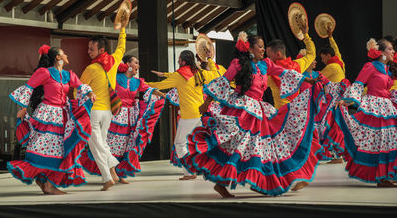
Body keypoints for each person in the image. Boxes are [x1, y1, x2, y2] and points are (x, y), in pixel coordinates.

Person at [181, 33, 322, 198]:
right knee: (237, 148)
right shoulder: (238, 64)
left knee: (261, 149)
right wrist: (207, 103)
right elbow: (223, 81)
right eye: (260, 46)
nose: (263, 50)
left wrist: (308, 80)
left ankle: (257, 181)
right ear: (250, 48)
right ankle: (221, 183)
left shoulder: (266, 64)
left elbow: (285, 73)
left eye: (263, 47)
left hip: (260, 110)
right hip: (242, 111)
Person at [7, 45, 95, 195]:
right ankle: (47, 183)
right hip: (48, 115)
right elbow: (29, 86)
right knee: (45, 148)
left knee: (60, 150)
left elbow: (80, 86)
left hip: (63, 115)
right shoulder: (45, 73)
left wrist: (90, 93)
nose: (67, 55)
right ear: (58, 58)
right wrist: (22, 108)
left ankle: (45, 181)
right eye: (64, 53)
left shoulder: (69, 75)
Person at [80, 55, 166, 183]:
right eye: (136, 63)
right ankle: (111, 171)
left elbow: (149, 90)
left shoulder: (138, 82)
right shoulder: (115, 78)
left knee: (124, 146)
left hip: (129, 117)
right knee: (111, 143)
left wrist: (163, 95)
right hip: (115, 114)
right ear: (128, 64)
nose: (138, 66)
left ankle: (119, 173)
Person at [335, 38, 397, 187]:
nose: (393, 51)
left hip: (387, 107)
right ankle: (382, 177)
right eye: (390, 49)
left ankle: (387, 175)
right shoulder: (370, 66)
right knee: (378, 142)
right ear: (381, 52)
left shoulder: (388, 69)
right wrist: (346, 100)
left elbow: (389, 90)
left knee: (389, 141)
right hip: (374, 107)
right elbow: (358, 84)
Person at [148, 50, 218, 180]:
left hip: (189, 115)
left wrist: (142, 84)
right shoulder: (199, 73)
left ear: (183, 61)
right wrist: (210, 59)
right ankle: (203, 168)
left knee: (180, 143)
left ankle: (190, 172)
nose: (178, 61)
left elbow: (160, 85)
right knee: (196, 144)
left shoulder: (180, 76)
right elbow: (215, 74)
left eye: (179, 59)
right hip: (200, 113)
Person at [78, 28, 126, 191]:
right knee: (102, 144)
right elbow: (121, 47)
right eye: (89, 48)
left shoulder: (90, 69)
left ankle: (108, 178)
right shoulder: (114, 60)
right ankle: (113, 173)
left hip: (94, 112)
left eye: (92, 48)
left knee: (96, 146)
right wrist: (123, 30)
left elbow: (78, 90)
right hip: (108, 112)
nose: (89, 51)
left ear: (101, 50)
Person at [266, 24, 316, 109]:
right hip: (297, 115)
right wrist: (305, 34)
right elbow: (311, 54)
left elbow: (255, 82)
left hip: (282, 117)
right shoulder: (297, 65)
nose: (268, 59)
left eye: (269, 56)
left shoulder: (270, 74)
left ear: (278, 54)